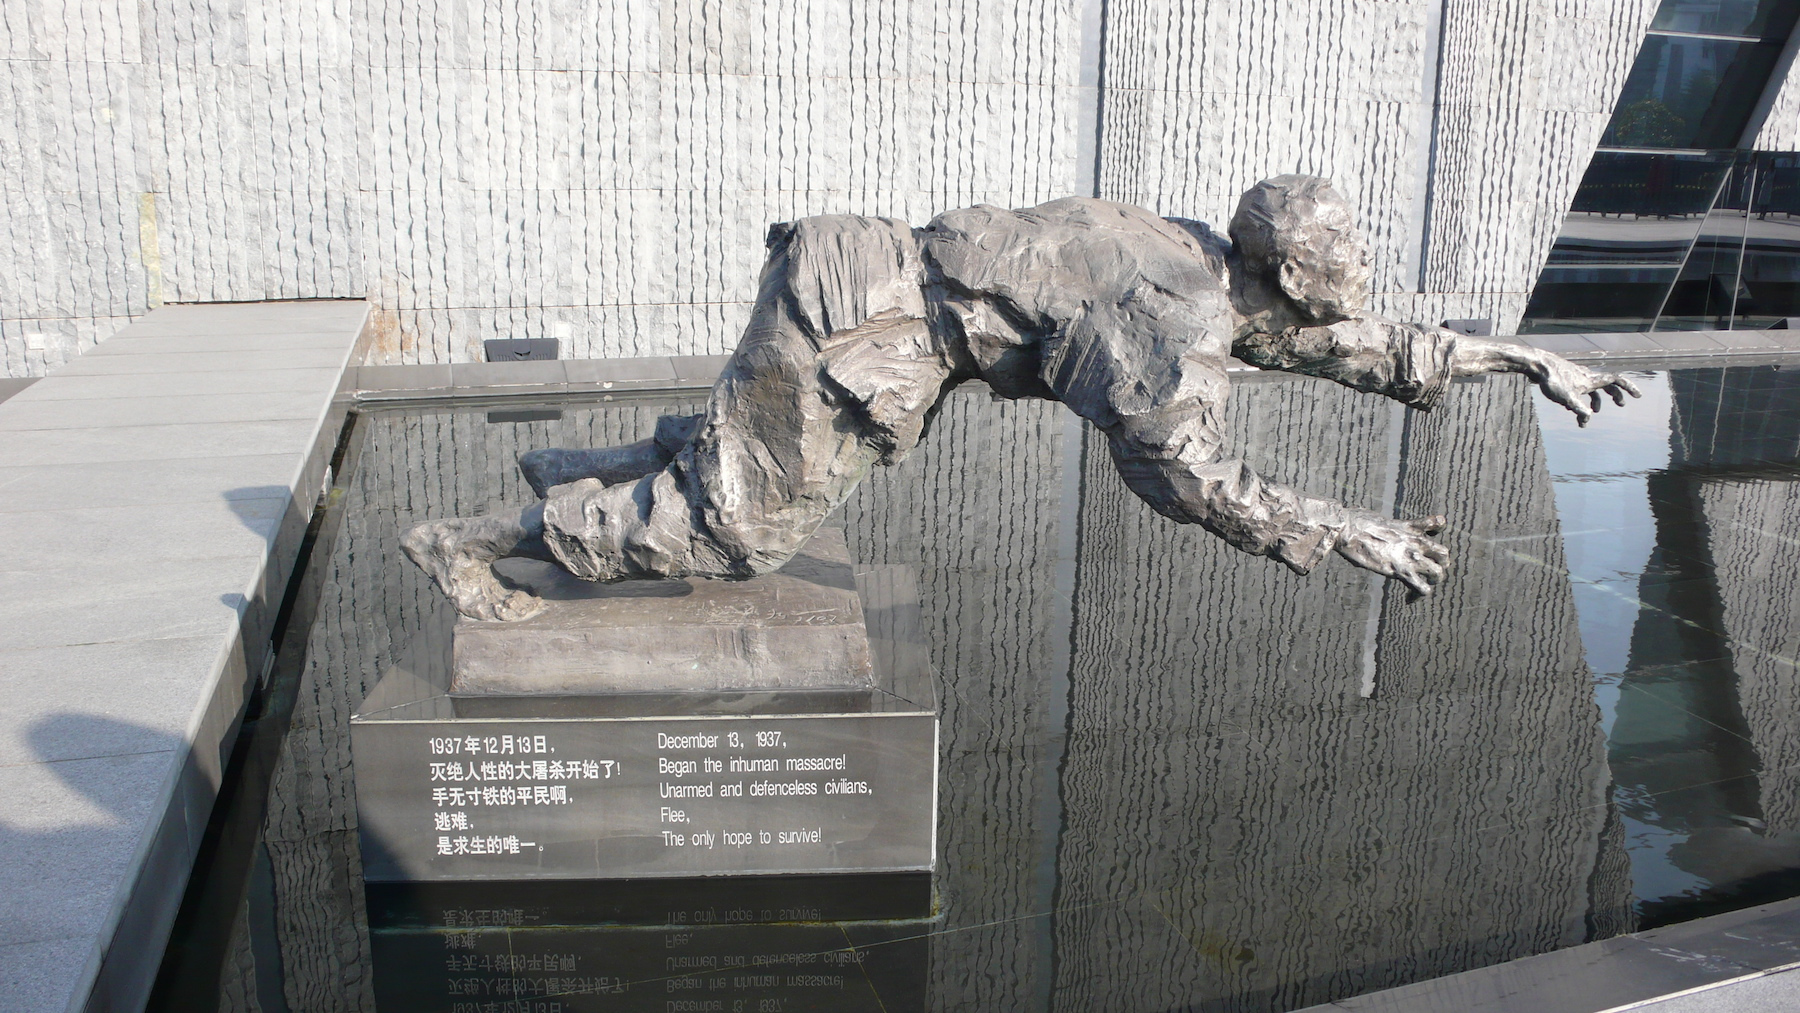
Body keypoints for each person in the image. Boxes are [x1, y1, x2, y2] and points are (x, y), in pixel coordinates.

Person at [403, 176, 1638, 621]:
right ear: (1287, 277)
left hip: (870, 282)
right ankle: (473, 543)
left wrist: (1524, 359)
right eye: (1343, 271)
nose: (1357, 287)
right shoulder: (1174, 323)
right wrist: (1360, 532)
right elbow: (1193, 480)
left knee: (736, 469)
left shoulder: (1208, 260)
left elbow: (1364, 351)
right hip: (864, 316)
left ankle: (576, 476)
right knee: (738, 534)